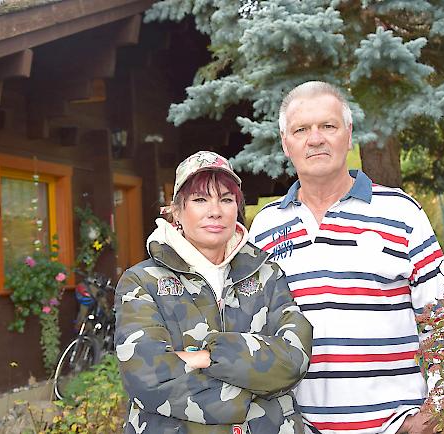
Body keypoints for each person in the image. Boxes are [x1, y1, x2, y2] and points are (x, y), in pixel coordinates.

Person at [249, 82, 444, 434]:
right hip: (299, 427)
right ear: (286, 143)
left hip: (396, 426)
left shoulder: (401, 213)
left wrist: (438, 406)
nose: (315, 139)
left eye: (328, 126)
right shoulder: (265, 228)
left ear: (349, 134)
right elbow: (252, 331)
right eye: (301, 129)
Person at [115, 150, 314, 434]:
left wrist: (208, 357)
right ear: (177, 211)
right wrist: (257, 392)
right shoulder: (143, 282)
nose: (215, 211)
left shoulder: (267, 274)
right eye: (200, 199)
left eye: (226, 199)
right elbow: (147, 377)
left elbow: (294, 360)